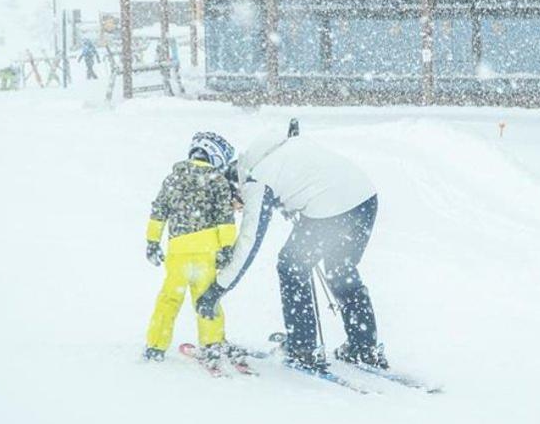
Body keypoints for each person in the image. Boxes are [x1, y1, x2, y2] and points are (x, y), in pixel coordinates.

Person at [197, 124, 386, 373]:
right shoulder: (277, 150)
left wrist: (218, 288)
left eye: (236, 203)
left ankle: (303, 348)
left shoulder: (256, 181)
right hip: (364, 199)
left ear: (234, 186)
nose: (238, 209)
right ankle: (364, 347)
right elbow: (305, 177)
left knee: (291, 265)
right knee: (341, 270)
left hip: (331, 208)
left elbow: (249, 243)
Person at [142, 132, 242, 368]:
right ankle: (212, 343)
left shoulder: (172, 179)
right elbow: (225, 219)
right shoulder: (217, 181)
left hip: (177, 253)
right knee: (207, 300)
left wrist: (152, 242)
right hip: (206, 252)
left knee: (168, 299)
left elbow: (159, 212)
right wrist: (227, 247)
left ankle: (156, 345)